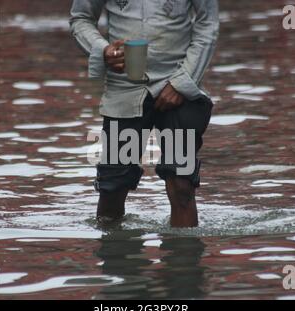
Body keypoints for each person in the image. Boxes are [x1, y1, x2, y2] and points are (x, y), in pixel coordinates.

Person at [70, 0, 219, 228]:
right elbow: (81, 18)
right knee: (113, 187)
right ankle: (116, 258)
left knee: (182, 187)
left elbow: (207, 24)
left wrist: (183, 81)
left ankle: (183, 260)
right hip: (125, 89)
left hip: (178, 83)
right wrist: (102, 50)